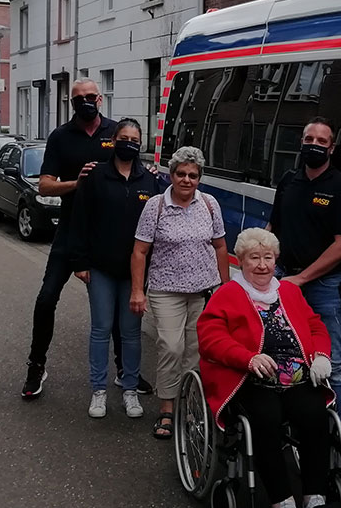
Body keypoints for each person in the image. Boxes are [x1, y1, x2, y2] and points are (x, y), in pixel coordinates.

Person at [198, 227, 340, 508]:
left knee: (315, 414)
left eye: (268, 257)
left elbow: (315, 327)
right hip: (250, 380)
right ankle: (282, 502)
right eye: (254, 258)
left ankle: (315, 499)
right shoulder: (228, 294)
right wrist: (247, 357)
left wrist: (322, 355)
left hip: (296, 379)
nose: (262, 265)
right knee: (267, 418)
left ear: (276, 260)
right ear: (241, 260)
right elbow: (210, 338)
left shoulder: (289, 291)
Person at [21, 79, 154, 400]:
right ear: (70, 101)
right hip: (72, 230)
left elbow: (137, 170)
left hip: (111, 235)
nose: (85, 101)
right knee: (46, 298)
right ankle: (36, 365)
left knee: (122, 305)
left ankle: (125, 371)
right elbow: (44, 186)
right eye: (78, 97)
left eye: (91, 96)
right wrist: (77, 182)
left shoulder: (117, 132)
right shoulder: (60, 137)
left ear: (100, 100)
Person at [267, 117, 341, 432]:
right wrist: (263, 267)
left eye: (322, 142)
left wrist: (302, 279)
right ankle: (294, 427)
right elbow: (273, 229)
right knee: (287, 359)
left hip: (324, 288)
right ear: (301, 142)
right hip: (284, 280)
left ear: (332, 148)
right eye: (310, 140)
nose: (314, 146)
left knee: (331, 366)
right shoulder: (289, 181)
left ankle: (337, 438)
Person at [131, 146, 229, 439]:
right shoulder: (156, 206)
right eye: (181, 174)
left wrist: (225, 289)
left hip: (203, 291)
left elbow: (221, 246)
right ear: (171, 175)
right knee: (171, 348)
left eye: (193, 175)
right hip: (166, 290)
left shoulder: (209, 204)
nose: (187, 180)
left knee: (197, 352)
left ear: (200, 178)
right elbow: (139, 251)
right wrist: (138, 290)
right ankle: (166, 409)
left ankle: (191, 406)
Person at [69, 119, 159, 418]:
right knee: (101, 329)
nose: (129, 143)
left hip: (134, 273)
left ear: (140, 143)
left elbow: (157, 229)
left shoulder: (149, 180)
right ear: (114, 140)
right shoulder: (96, 175)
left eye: (134, 138)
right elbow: (79, 219)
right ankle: (98, 391)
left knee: (131, 332)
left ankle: (130, 388)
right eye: (123, 137)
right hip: (101, 268)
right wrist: (79, 262)